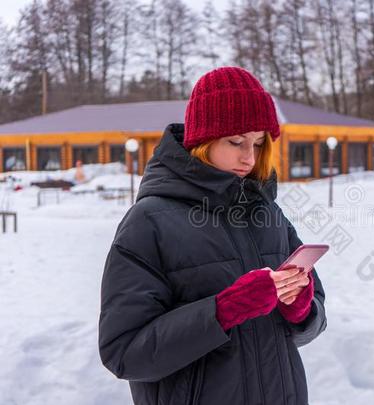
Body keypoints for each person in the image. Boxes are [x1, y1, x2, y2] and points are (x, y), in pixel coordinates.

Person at [98, 66, 327, 405]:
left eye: (258, 143)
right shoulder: (148, 222)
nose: (249, 157)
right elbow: (124, 352)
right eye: (235, 142)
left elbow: (314, 316)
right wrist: (222, 311)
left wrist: (301, 307)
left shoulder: (267, 213)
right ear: (203, 140)